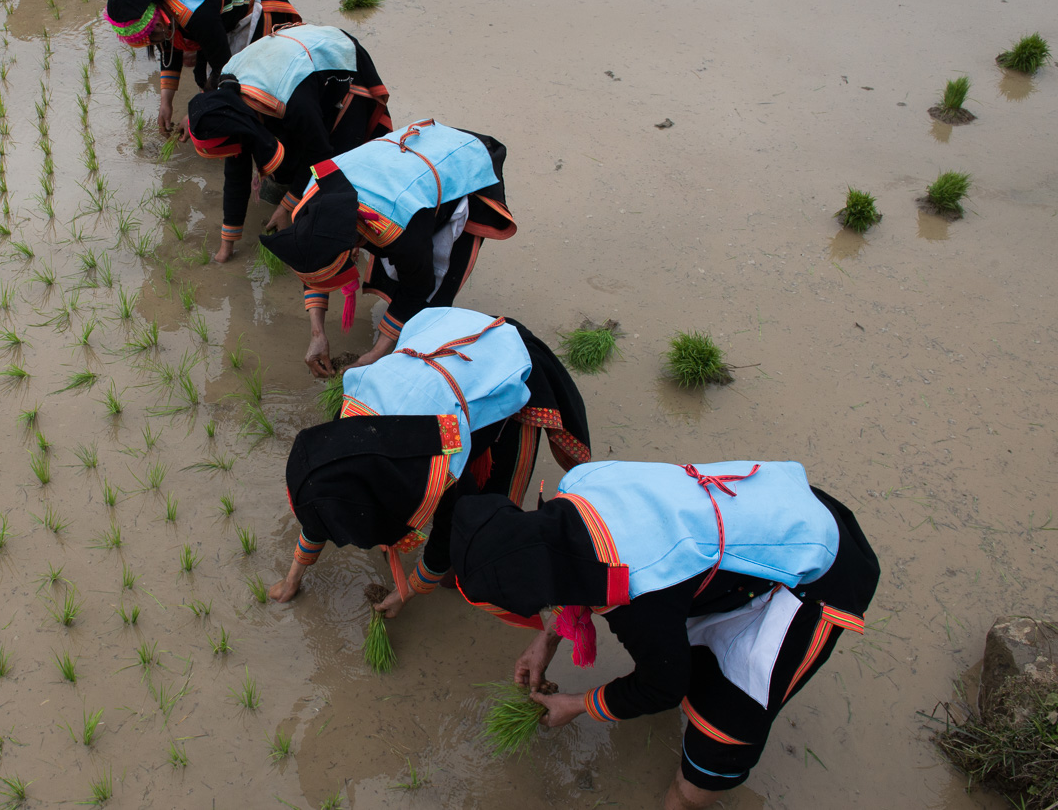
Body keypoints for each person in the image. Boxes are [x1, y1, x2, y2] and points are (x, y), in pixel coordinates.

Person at [452, 460, 880, 810]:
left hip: (814, 561)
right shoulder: (578, 487)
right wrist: (547, 639)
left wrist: (577, 705)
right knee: (681, 638)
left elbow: (663, 687)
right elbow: (568, 559)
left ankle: (688, 798)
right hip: (764, 503)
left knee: (728, 720)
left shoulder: (638, 593)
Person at [269, 307, 591, 620]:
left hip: (497, 360)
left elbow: (449, 526)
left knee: (462, 566)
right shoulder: (347, 427)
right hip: (441, 347)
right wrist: (293, 577)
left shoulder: (438, 466)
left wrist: (409, 590)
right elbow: (322, 500)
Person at [258, 120, 516, 377]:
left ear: (354, 247)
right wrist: (317, 333)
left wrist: (376, 353)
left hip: (459, 159)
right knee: (400, 267)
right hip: (400, 165)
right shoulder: (311, 205)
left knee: (434, 295)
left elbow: (419, 285)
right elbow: (315, 258)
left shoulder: (401, 231)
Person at [184, 24, 390, 262]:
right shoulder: (230, 103)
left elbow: (319, 152)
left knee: (340, 168)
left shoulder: (293, 102)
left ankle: (353, 238)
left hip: (336, 61)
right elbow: (236, 173)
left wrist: (287, 206)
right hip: (291, 65)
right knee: (289, 167)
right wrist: (226, 247)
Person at [104, 0, 301, 134]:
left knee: (253, 82)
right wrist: (166, 102)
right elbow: (169, 52)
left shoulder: (195, 12)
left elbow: (224, 68)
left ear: (158, 21)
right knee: (201, 76)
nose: (152, 43)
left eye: (151, 37)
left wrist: (196, 112)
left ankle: (265, 132)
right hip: (217, 8)